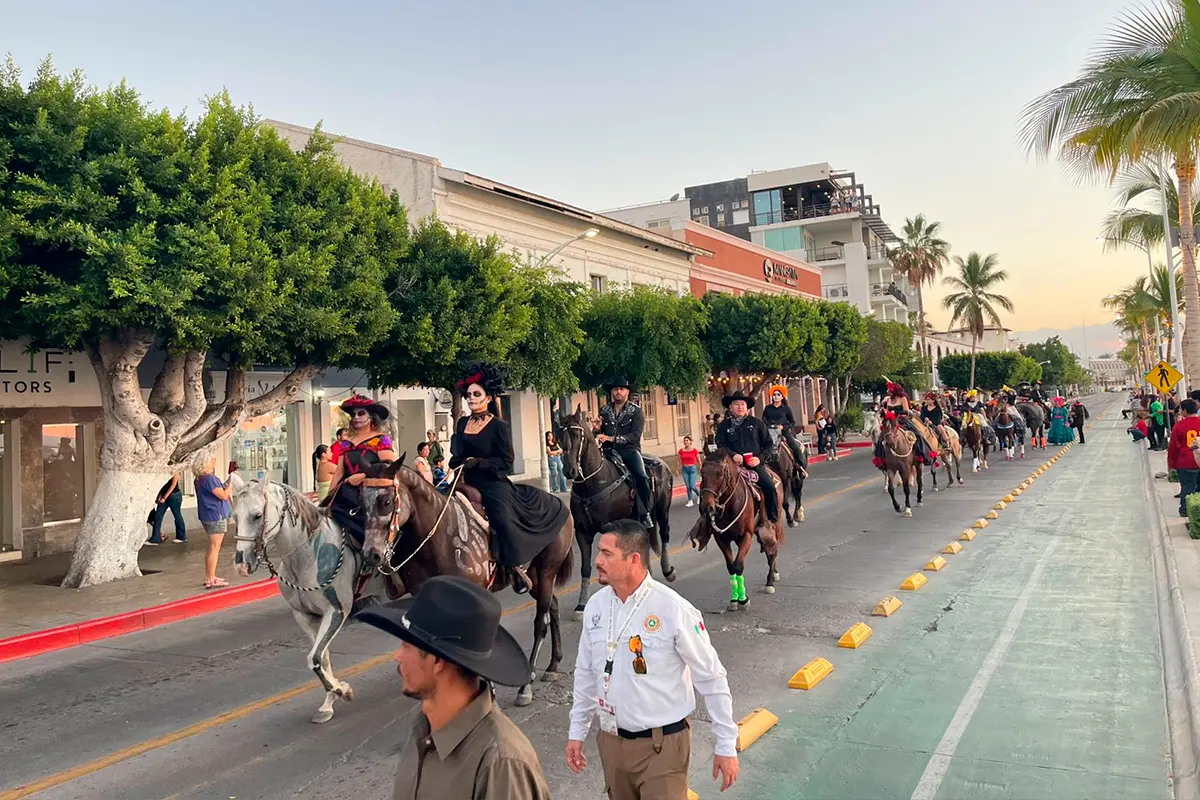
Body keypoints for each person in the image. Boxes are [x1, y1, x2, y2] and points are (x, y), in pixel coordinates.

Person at [567, 521, 739, 799]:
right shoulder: (596, 607)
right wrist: (577, 731)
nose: (597, 561)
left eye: (607, 554)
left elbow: (711, 676)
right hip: (611, 742)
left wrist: (726, 745)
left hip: (662, 747)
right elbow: (586, 673)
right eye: (599, 552)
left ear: (634, 560)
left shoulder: (673, 609)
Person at [356, 575, 550, 800]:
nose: (397, 656)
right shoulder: (423, 728)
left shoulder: (500, 764)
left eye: (406, 644)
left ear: (437, 661)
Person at [450, 364, 569, 595]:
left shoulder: (498, 426)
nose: (471, 399)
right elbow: (458, 454)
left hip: (492, 483)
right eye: (469, 395)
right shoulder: (463, 423)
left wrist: (480, 463)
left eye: (477, 394)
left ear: (489, 398)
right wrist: (458, 461)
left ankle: (514, 566)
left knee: (501, 517)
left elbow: (506, 461)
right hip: (464, 481)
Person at [327, 395, 397, 547]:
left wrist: (363, 476)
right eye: (353, 414)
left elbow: (389, 467)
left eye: (361, 413)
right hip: (345, 493)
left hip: (372, 495)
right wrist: (329, 496)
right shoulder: (346, 443)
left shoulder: (381, 439)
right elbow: (339, 471)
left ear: (371, 416)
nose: (356, 417)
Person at [714, 390, 779, 525]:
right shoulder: (723, 426)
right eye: (736, 404)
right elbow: (720, 445)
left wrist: (759, 459)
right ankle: (711, 522)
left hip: (754, 466)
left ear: (747, 407)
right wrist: (732, 455)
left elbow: (768, 445)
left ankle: (772, 519)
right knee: (712, 489)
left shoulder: (757, 423)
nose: (740, 407)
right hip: (731, 466)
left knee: (769, 487)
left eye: (742, 404)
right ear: (730, 407)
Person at [598, 378, 653, 530]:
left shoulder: (636, 411)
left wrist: (612, 438)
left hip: (629, 451)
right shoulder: (604, 411)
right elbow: (600, 434)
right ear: (611, 392)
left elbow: (635, 435)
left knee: (641, 476)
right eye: (615, 389)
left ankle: (645, 512)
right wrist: (596, 429)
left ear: (627, 392)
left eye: (621, 389)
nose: (618, 392)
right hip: (608, 452)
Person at [193, 456, 233, 589]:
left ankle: (209, 575)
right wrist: (231, 486)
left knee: (212, 546)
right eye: (212, 459)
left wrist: (228, 482)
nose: (215, 462)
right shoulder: (209, 479)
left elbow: (219, 490)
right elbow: (223, 495)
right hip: (215, 514)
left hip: (207, 514)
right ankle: (211, 577)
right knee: (215, 547)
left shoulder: (200, 479)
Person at [1169, 399, 1200, 517]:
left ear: (1185, 411)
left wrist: (1172, 463)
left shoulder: (1179, 426)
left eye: (1181, 409)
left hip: (1186, 461)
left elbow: (1173, 447)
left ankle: (1185, 510)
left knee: (1187, 488)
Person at [760, 385, 803, 464]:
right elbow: (763, 419)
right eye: (774, 394)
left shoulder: (786, 408)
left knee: (795, 447)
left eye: (778, 395)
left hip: (783, 431)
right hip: (770, 431)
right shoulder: (767, 408)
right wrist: (768, 425)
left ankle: (800, 467)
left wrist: (783, 427)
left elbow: (792, 422)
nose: (776, 396)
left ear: (782, 397)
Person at [146, 471, 186, 546]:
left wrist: (164, 497)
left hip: (174, 496)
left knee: (177, 516)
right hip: (164, 496)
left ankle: (181, 537)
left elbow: (173, 485)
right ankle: (155, 538)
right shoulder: (163, 470)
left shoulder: (175, 471)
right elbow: (161, 485)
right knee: (158, 515)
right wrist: (159, 496)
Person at [677, 435, 701, 508]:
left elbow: (699, 460)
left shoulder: (694, 450)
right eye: (684, 441)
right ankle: (690, 500)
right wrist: (677, 469)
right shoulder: (681, 451)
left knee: (692, 486)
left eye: (687, 440)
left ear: (690, 442)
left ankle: (700, 495)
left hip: (692, 469)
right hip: (685, 469)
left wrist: (700, 467)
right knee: (688, 486)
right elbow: (678, 461)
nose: (685, 442)